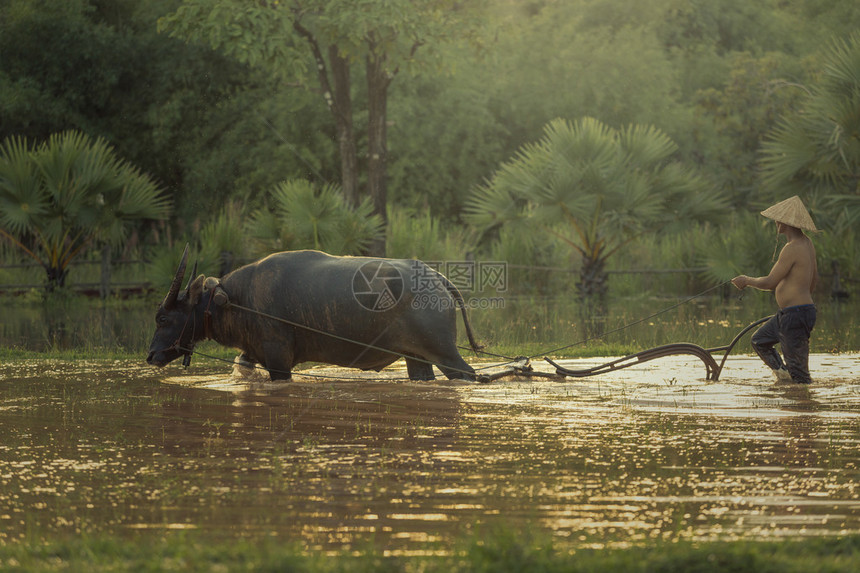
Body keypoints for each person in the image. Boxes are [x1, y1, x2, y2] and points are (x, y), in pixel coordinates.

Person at [731, 196, 819, 384]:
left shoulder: (791, 248)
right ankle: (785, 378)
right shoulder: (807, 243)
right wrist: (797, 301)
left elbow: (769, 282)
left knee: (800, 375)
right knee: (759, 341)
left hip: (795, 314)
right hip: (794, 313)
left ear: (787, 223)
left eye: (779, 219)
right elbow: (814, 279)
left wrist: (746, 280)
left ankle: (803, 403)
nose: (776, 222)